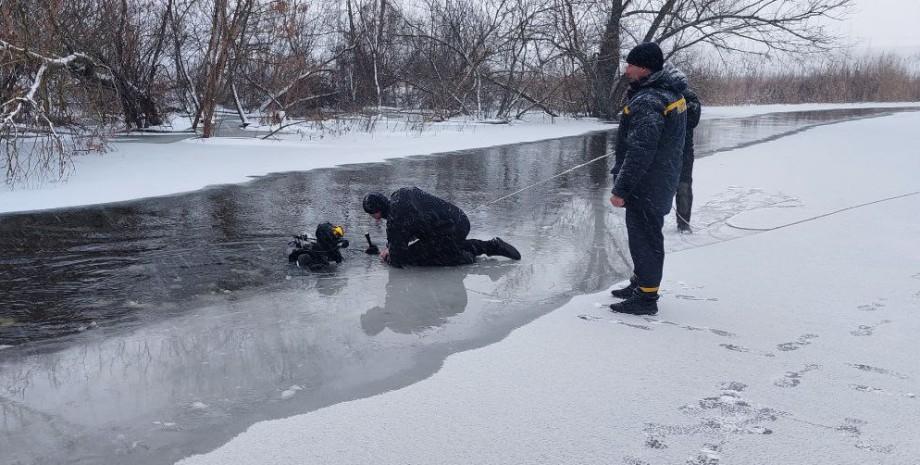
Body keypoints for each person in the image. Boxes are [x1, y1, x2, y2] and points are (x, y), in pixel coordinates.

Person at [608, 42, 688, 316]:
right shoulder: (670, 92)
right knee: (645, 236)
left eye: (630, 64)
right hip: (662, 177)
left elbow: (641, 151)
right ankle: (641, 284)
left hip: (648, 183)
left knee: (645, 239)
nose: (626, 69)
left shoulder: (650, 100)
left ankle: (646, 298)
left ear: (643, 68)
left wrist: (621, 189)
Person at [362, 187, 521, 267]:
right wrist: (390, 246)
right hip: (459, 220)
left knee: (414, 257)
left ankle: (462, 256)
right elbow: (409, 227)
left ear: (377, 211)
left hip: (448, 231)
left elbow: (398, 257)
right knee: (438, 245)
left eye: (372, 215)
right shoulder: (400, 195)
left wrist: (386, 256)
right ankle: (490, 245)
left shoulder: (396, 219)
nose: (374, 219)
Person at [676, 85, 701, 233]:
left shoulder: (689, 96)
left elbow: (692, 120)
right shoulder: (657, 95)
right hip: (661, 153)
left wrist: (677, 108)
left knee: (683, 187)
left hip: (684, 151)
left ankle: (684, 223)